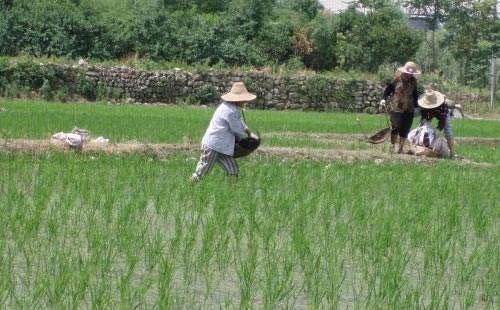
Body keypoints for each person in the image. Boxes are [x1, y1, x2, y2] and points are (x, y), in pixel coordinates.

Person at [191, 82, 257, 182]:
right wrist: (249, 139)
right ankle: (191, 185)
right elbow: (237, 130)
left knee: (233, 169)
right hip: (213, 145)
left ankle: (233, 192)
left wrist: (249, 132)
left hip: (222, 146)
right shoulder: (230, 111)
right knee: (203, 170)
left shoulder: (232, 108)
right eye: (244, 99)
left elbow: (240, 123)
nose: (245, 101)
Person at [380, 61, 422, 153]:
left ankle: (401, 148)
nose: (409, 75)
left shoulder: (413, 81)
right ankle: (392, 146)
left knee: (405, 128)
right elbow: (388, 90)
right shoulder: (396, 79)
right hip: (396, 107)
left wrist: (417, 106)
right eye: (408, 73)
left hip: (409, 108)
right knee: (395, 127)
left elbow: (415, 94)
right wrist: (383, 99)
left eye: (411, 74)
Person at [414, 87, 456, 158]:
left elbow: (442, 121)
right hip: (428, 112)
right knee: (423, 128)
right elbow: (425, 118)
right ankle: (420, 145)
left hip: (442, 113)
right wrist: (423, 128)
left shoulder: (443, 107)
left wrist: (438, 130)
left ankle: (452, 152)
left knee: (448, 130)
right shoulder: (425, 105)